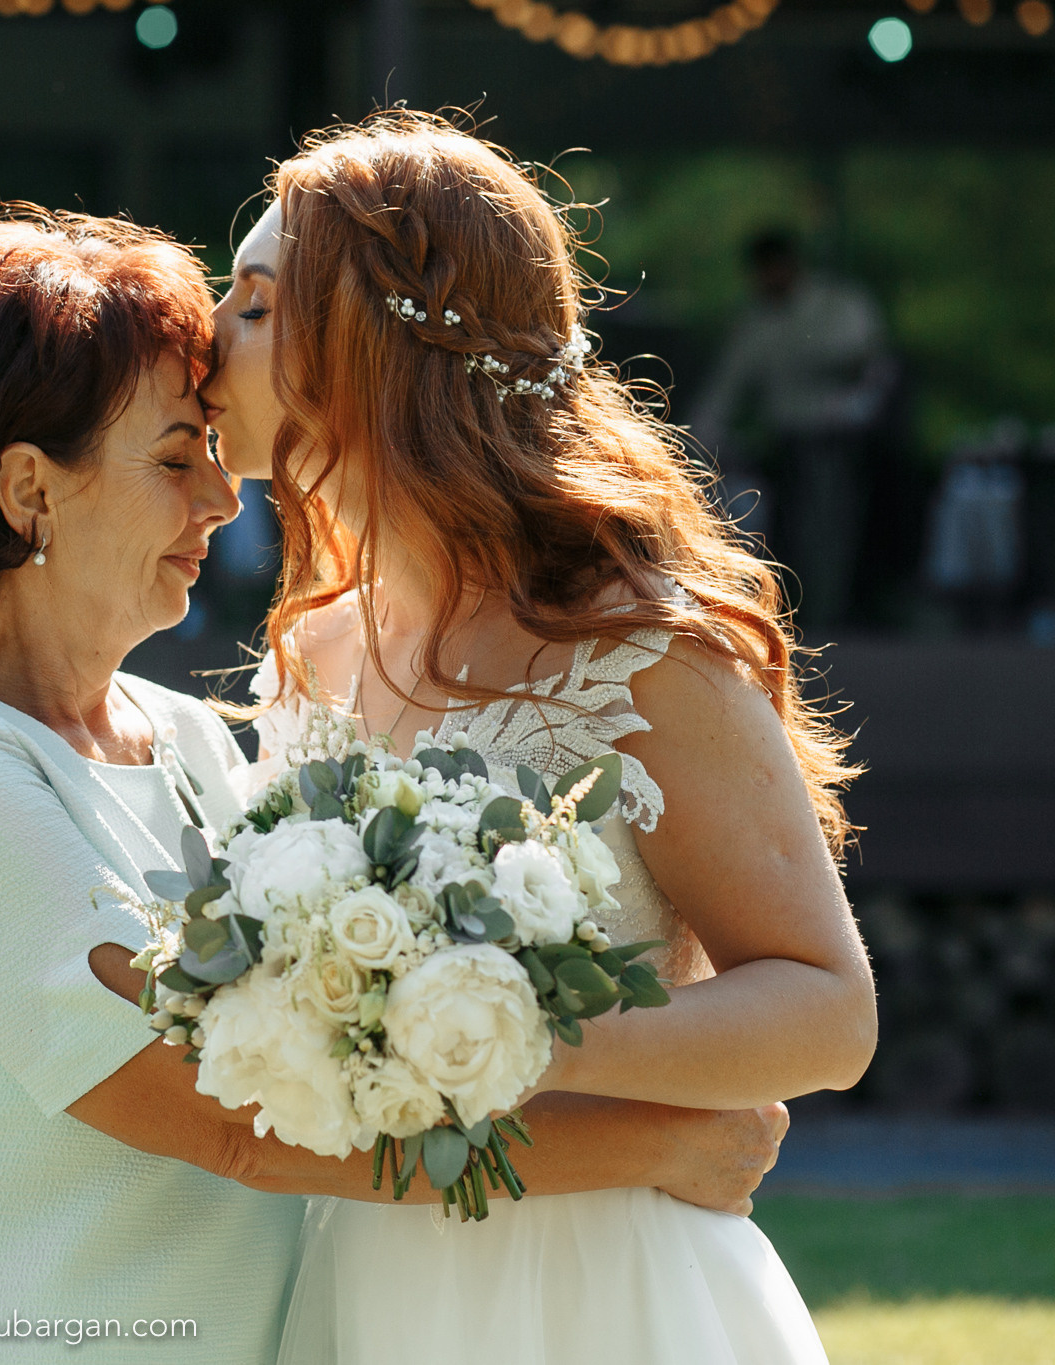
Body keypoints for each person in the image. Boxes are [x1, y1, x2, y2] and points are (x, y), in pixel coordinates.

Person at [0, 207, 790, 1364]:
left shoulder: (196, 742)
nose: (222, 497)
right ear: (29, 489)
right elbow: (219, 1119)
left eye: (212, 444)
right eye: (172, 457)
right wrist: (650, 1147)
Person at [199, 113, 877, 1363]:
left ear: (368, 347)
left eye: (250, 304)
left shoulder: (638, 651)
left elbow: (826, 1013)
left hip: (597, 1283)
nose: (207, 336)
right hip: (360, 1275)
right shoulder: (309, 649)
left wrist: (491, 1031)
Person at [691, 231, 896, 632]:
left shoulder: (837, 305)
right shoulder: (756, 322)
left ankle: (837, 614)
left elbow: (872, 362)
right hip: (786, 445)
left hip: (842, 441)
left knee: (834, 529)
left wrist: (852, 398)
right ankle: (805, 616)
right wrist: (696, 435)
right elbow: (725, 390)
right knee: (794, 532)